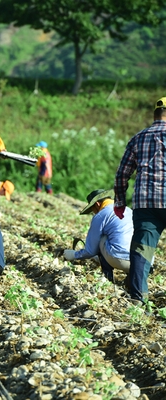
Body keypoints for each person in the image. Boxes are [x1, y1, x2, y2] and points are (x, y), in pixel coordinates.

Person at [114, 96, 166, 304]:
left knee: (142, 249)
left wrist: (119, 202)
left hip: (146, 204)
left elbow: (122, 174)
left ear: (155, 115)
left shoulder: (139, 138)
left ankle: (138, 299)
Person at [62, 189, 133, 282]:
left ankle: (108, 279)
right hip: (141, 262)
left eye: (92, 210)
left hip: (120, 259)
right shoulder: (128, 210)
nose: (94, 213)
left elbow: (90, 251)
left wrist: (74, 255)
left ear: (97, 204)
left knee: (102, 238)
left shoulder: (102, 214)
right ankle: (131, 278)